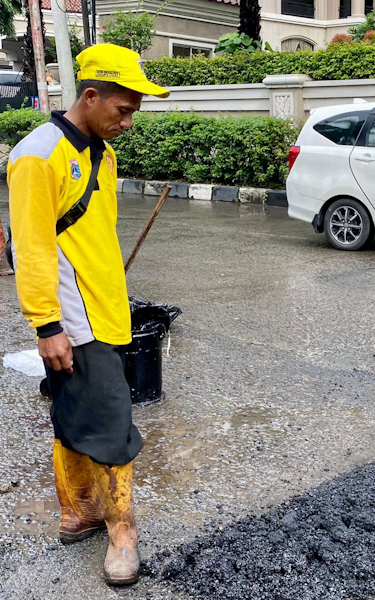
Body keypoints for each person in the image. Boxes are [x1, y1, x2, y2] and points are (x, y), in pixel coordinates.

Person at [7, 44, 169, 586]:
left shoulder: (101, 149)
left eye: (133, 113)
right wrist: (48, 326)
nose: (128, 121)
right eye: (122, 110)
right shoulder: (38, 155)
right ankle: (123, 532)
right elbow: (29, 248)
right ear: (91, 95)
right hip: (74, 320)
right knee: (111, 422)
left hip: (106, 307)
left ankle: (79, 512)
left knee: (72, 409)